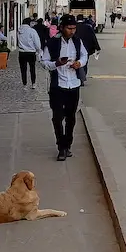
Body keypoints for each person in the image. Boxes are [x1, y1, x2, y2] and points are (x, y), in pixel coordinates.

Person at [40, 14, 87, 161]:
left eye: (74, 28)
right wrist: (57, 64)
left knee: (71, 117)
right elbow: (43, 62)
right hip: (58, 85)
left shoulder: (78, 42)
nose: (72, 31)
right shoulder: (52, 43)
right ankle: (61, 147)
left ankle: (68, 144)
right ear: (62, 27)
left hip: (73, 84)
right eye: (69, 28)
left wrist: (79, 63)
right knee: (57, 117)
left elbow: (85, 56)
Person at [17, 15, 42, 88]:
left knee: (23, 69)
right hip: (31, 52)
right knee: (32, 68)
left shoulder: (19, 31)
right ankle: (33, 83)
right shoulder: (32, 31)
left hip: (21, 52)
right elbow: (37, 42)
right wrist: (38, 49)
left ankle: (24, 84)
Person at [75, 14, 100, 85]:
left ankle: (77, 77)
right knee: (84, 63)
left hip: (75, 48)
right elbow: (93, 37)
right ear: (83, 19)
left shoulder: (73, 27)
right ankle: (83, 78)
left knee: (76, 62)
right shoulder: (87, 27)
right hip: (86, 49)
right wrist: (97, 47)